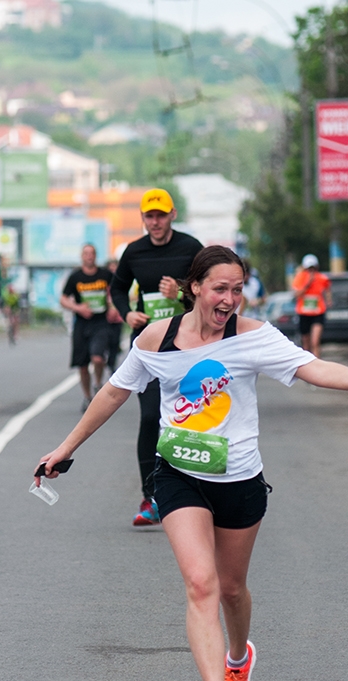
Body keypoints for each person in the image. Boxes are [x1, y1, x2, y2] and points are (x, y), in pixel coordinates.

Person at [36, 245, 348, 681]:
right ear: (195, 288)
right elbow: (115, 391)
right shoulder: (157, 338)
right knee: (200, 583)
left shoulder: (253, 337)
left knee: (231, 589)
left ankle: (238, 658)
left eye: (237, 290)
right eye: (220, 289)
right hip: (178, 474)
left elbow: (314, 368)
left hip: (240, 481)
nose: (229, 299)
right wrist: (65, 448)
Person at [110, 187, 203, 526]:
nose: (155, 222)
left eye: (161, 215)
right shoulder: (134, 252)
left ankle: (194, 493)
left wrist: (180, 292)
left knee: (189, 418)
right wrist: (127, 313)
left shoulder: (191, 248)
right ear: (143, 218)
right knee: (150, 417)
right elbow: (117, 287)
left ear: (172, 215)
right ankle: (150, 497)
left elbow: (209, 289)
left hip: (188, 347)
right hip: (149, 348)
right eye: (149, 216)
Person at [60, 244, 113, 412]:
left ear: (96, 256)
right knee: (82, 365)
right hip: (82, 324)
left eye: (92, 253)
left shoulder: (105, 275)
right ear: (82, 256)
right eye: (86, 253)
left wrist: (113, 306)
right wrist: (78, 308)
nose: (89, 256)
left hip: (100, 323)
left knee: (98, 358)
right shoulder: (75, 277)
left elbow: (116, 291)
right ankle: (88, 396)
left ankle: (97, 383)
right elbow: (63, 299)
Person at [292, 254, 331, 358]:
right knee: (306, 344)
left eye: (313, 268)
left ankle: (317, 363)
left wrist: (328, 300)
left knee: (315, 342)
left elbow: (327, 289)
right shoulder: (300, 278)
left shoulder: (322, 278)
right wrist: (307, 284)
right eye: (309, 269)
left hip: (318, 313)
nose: (311, 271)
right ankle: (307, 363)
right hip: (304, 313)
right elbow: (296, 294)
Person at [105, 257, 125, 375]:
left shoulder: (121, 283)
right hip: (104, 319)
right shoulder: (103, 283)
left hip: (117, 318)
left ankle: (112, 364)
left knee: (115, 342)